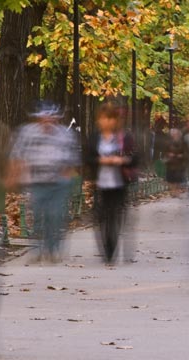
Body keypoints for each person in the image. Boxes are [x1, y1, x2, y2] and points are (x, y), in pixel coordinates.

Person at [6, 100, 80, 263]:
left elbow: (72, 158)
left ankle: (54, 250)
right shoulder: (27, 133)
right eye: (44, 117)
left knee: (55, 216)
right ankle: (38, 250)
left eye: (51, 117)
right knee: (38, 216)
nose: (47, 120)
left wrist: (67, 176)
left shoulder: (65, 134)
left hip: (58, 182)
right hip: (36, 181)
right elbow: (17, 155)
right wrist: (14, 176)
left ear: (56, 118)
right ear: (38, 117)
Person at [85, 104, 138, 264]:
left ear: (115, 120)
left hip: (119, 183)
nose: (106, 122)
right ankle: (106, 249)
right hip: (101, 183)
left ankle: (112, 247)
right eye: (103, 118)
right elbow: (87, 157)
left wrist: (121, 160)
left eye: (110, 118)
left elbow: (136, 157)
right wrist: (100, 160)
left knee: (115, 216)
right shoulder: (95, 138)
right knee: (102, 217)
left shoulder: (124, 138)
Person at [165, 128, 188, 195]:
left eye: (175, 134)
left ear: (179, 134)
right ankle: (173, 191)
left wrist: (182, 155)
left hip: (179, 163)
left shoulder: (183, 143)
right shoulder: (168, 142)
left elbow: (187, 152)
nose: (174, 135)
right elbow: (164, 151)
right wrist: (168, 154)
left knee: (178, 178)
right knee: (171, 178)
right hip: (170, 162)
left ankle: (177, 191)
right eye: (173, 134)